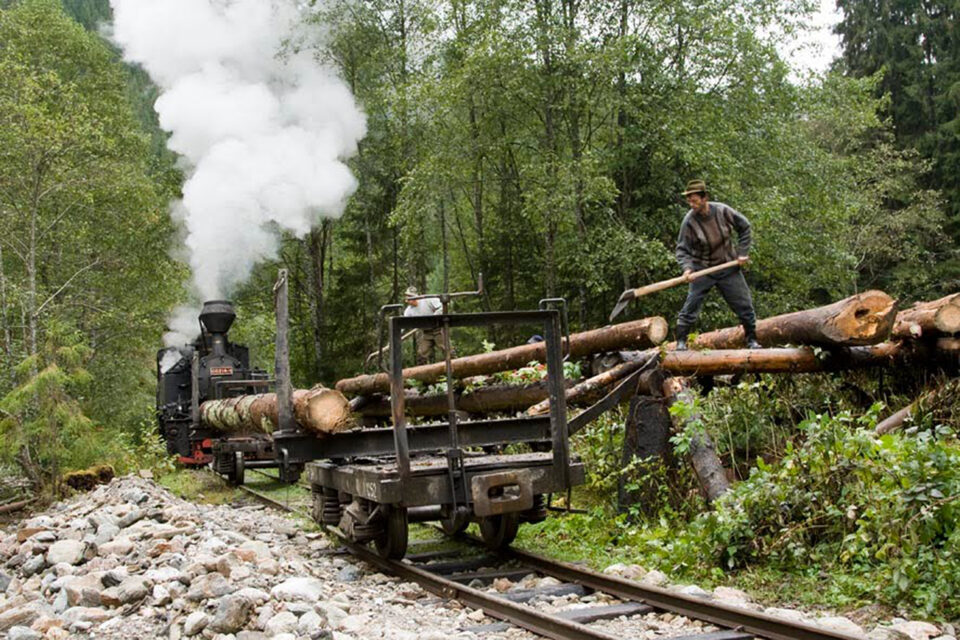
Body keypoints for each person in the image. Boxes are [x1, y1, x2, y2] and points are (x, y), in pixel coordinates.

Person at [674, 179, 760, 351]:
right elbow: (682, 250)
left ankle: (752, 339)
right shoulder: (689, 222)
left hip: (728, 267)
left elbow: (745, 227)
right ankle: (681, 342)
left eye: (695, 200)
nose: (691, 204)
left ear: (705, 198)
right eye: (689, 201)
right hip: (702, 269)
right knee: (691, 306)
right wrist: (687, 268)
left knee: (744, 304)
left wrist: (742, 252)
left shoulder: (722, 210)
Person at [403, 286, 448, 365]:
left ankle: (457, 371)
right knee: (421, 354)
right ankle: (422, 374)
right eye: (407, 297)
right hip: (426, 333)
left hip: (438, 330)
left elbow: (441, 307)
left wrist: (434, 317)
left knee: (447, 351)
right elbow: (404, 323)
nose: (408, 300)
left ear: (415, 297)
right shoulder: (409, 311)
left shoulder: (427, 300)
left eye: (409, 297)